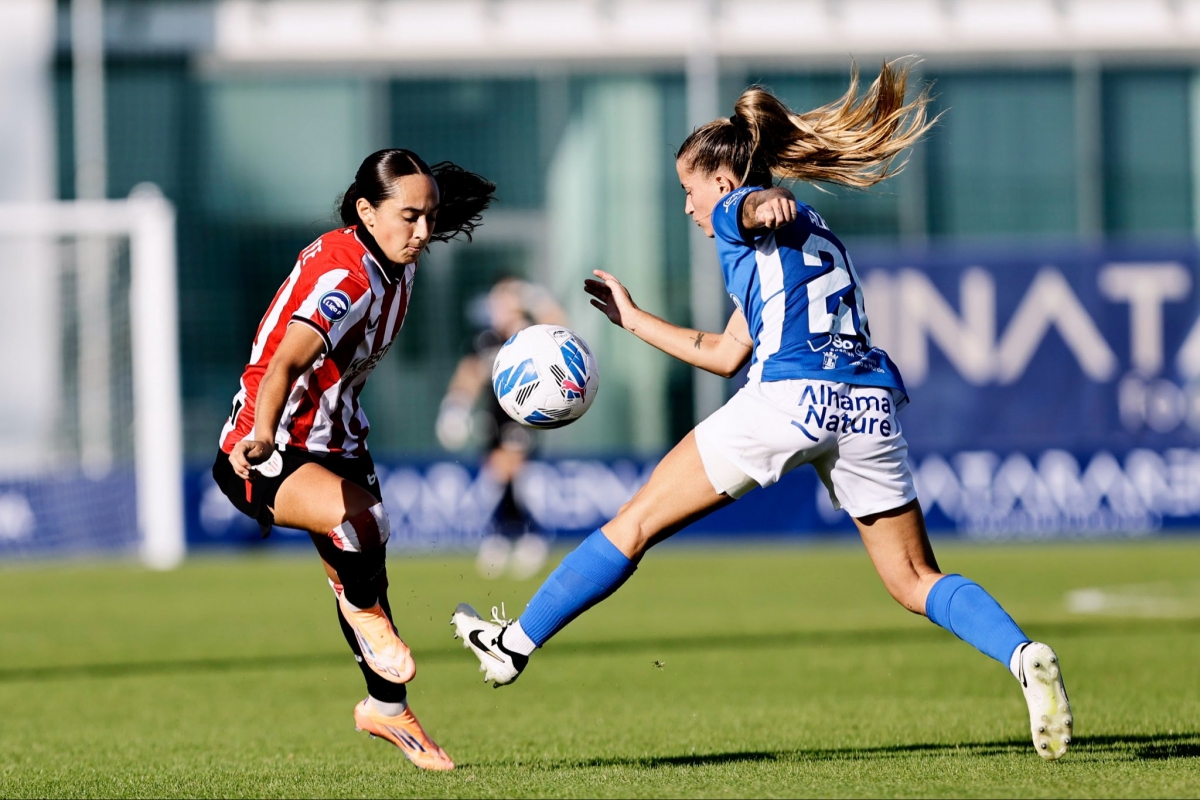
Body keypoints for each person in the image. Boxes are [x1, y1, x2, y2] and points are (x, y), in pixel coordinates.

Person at [452, 61, 1074, 761]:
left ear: (719, 181)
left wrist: (756, 204)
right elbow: (723, 353)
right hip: (867, 404)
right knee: (912, 580)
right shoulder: (815, 237)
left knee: (634, 524)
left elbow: (743, 212)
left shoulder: (738, 210)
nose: (688, 206)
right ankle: (1023, 657)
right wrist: (631, 320)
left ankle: (512, 644)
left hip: (790, 397)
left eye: (688, 190)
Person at [212, 148, 494, 771]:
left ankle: (388, 711)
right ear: (367, 211)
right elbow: (285, 360)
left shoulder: (394, 246)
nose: (423, 233)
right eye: (410, 218)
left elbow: (418, 215)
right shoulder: (350, 277)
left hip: (339, 439)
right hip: (266, 445)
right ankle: (365, 621)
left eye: (431, 218)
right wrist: (259, 436)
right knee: (363, 527)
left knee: (366, 571)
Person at [436, 277, 568, 580]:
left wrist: (534, 296)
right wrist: (455, 406)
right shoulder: (486, 338)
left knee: (510, 470)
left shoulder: (532, 335)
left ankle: (523, 537)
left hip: (524, 414)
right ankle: (515, 536)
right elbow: (470, 372)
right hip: (493, 416)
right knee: (498, 477)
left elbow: (559, 324)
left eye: (506, 300)